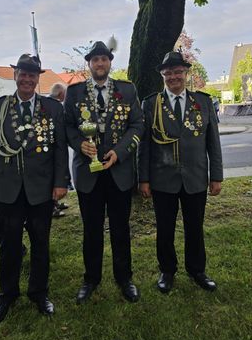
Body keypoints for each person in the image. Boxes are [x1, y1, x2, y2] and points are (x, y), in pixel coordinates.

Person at [0, 54, 69, 323]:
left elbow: (59, 148)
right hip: (8, 190)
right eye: (23, 73)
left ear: (37, 78)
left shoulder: (52, 108)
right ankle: (7, 295)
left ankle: (39, 293)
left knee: (41, 243)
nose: (28, 79)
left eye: (33, 75)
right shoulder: (0, 107)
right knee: (8, 245)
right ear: (15, 76)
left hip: (41, 189)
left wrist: (60, 182)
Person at [64, 40, 144, 304]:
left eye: (104, 59)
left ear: (110, 62)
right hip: (88, 174)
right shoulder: (74, 93)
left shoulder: (127, 90)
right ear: (89, 63)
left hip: (118, 171)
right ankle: (91, 279)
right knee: (92, 229)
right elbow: (68, 128)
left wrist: (119, 152)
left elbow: (137, 126)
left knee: (121, 228)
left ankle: (125, 278)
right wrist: (80, 144)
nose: (100, 63)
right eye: (95, 59)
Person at [138, 51, 223, 294]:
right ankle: (167, 271)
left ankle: (197, 270)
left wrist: (216, 176)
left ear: (186, 73)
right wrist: (143, 178)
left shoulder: (203, 102)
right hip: (162, 179)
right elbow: (144, 146)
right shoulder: (150, 104)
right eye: (168, 73)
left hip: (195, 177)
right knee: (164, 228)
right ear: (162, 76)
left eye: (178, 72)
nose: (173, 77)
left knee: (194, 227)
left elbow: (213, 143)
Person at [49, 82, 71, 218]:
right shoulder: (51, 105)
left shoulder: (52, 102)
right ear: (61, 94)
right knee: (52, 179)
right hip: (50, 150)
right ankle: (52, 208)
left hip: (56, 147)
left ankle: (55, 203)